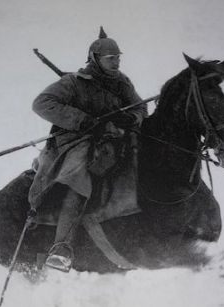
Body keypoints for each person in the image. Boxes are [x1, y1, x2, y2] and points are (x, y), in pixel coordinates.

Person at [28, 27, 147, 272]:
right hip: (76, 141)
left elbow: (140, 108)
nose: (116, 63)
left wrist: (130, 119)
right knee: (79, 176)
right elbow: (41, 104)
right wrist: (84, 121)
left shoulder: (122, 82)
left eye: (118, 58)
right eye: (110, 58)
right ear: (95, 58)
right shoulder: (73, 83)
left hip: (113, 139)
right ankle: (61, 249)